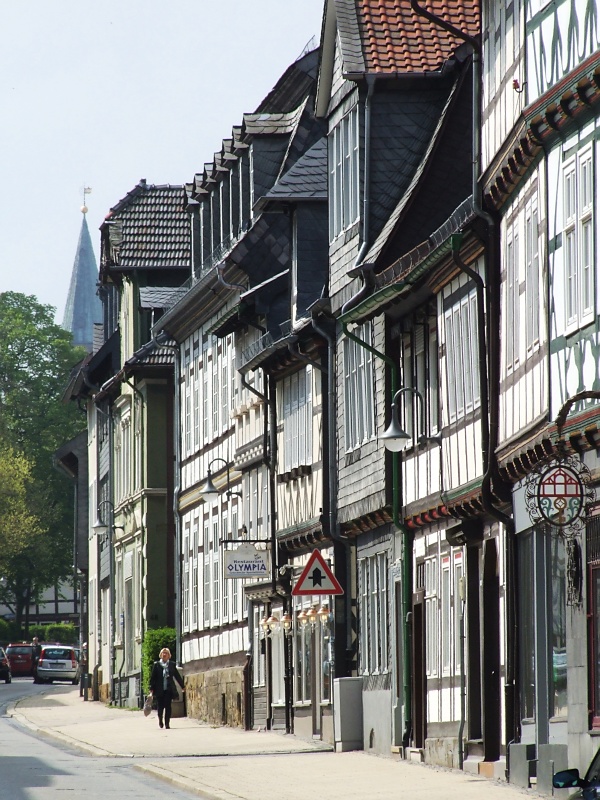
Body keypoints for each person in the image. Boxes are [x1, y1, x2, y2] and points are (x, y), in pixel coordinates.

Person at [149, 647, 184, 730]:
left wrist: (182, 686)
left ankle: (167, 723)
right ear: (160, 655)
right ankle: (160, 720)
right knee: (160, 706)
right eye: (163, 653)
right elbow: (153, 678)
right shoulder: (157, 665)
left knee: (168, 706)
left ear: (169, 655)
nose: (164, 654)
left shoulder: (171, 665)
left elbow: (177, 676)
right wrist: (151, 688)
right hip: (159, 689)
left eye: (166, 653)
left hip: (169, 689)